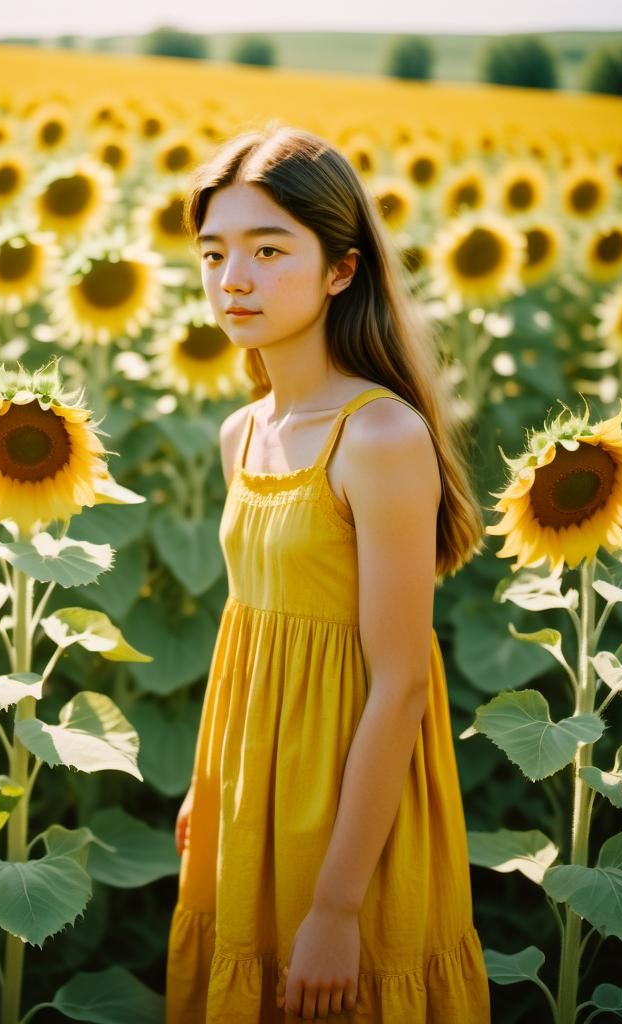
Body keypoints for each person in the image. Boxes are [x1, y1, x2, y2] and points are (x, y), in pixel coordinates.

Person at [165, 122, 492, 1023]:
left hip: (354, 805)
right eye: (214, 252)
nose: (234, 280)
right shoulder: (246, 432)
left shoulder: (381, 437)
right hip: (250, 785)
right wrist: (209, 782)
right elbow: (252, 627)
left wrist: (340, 907)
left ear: (341, 270)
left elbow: (400, 689)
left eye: (270, 251)